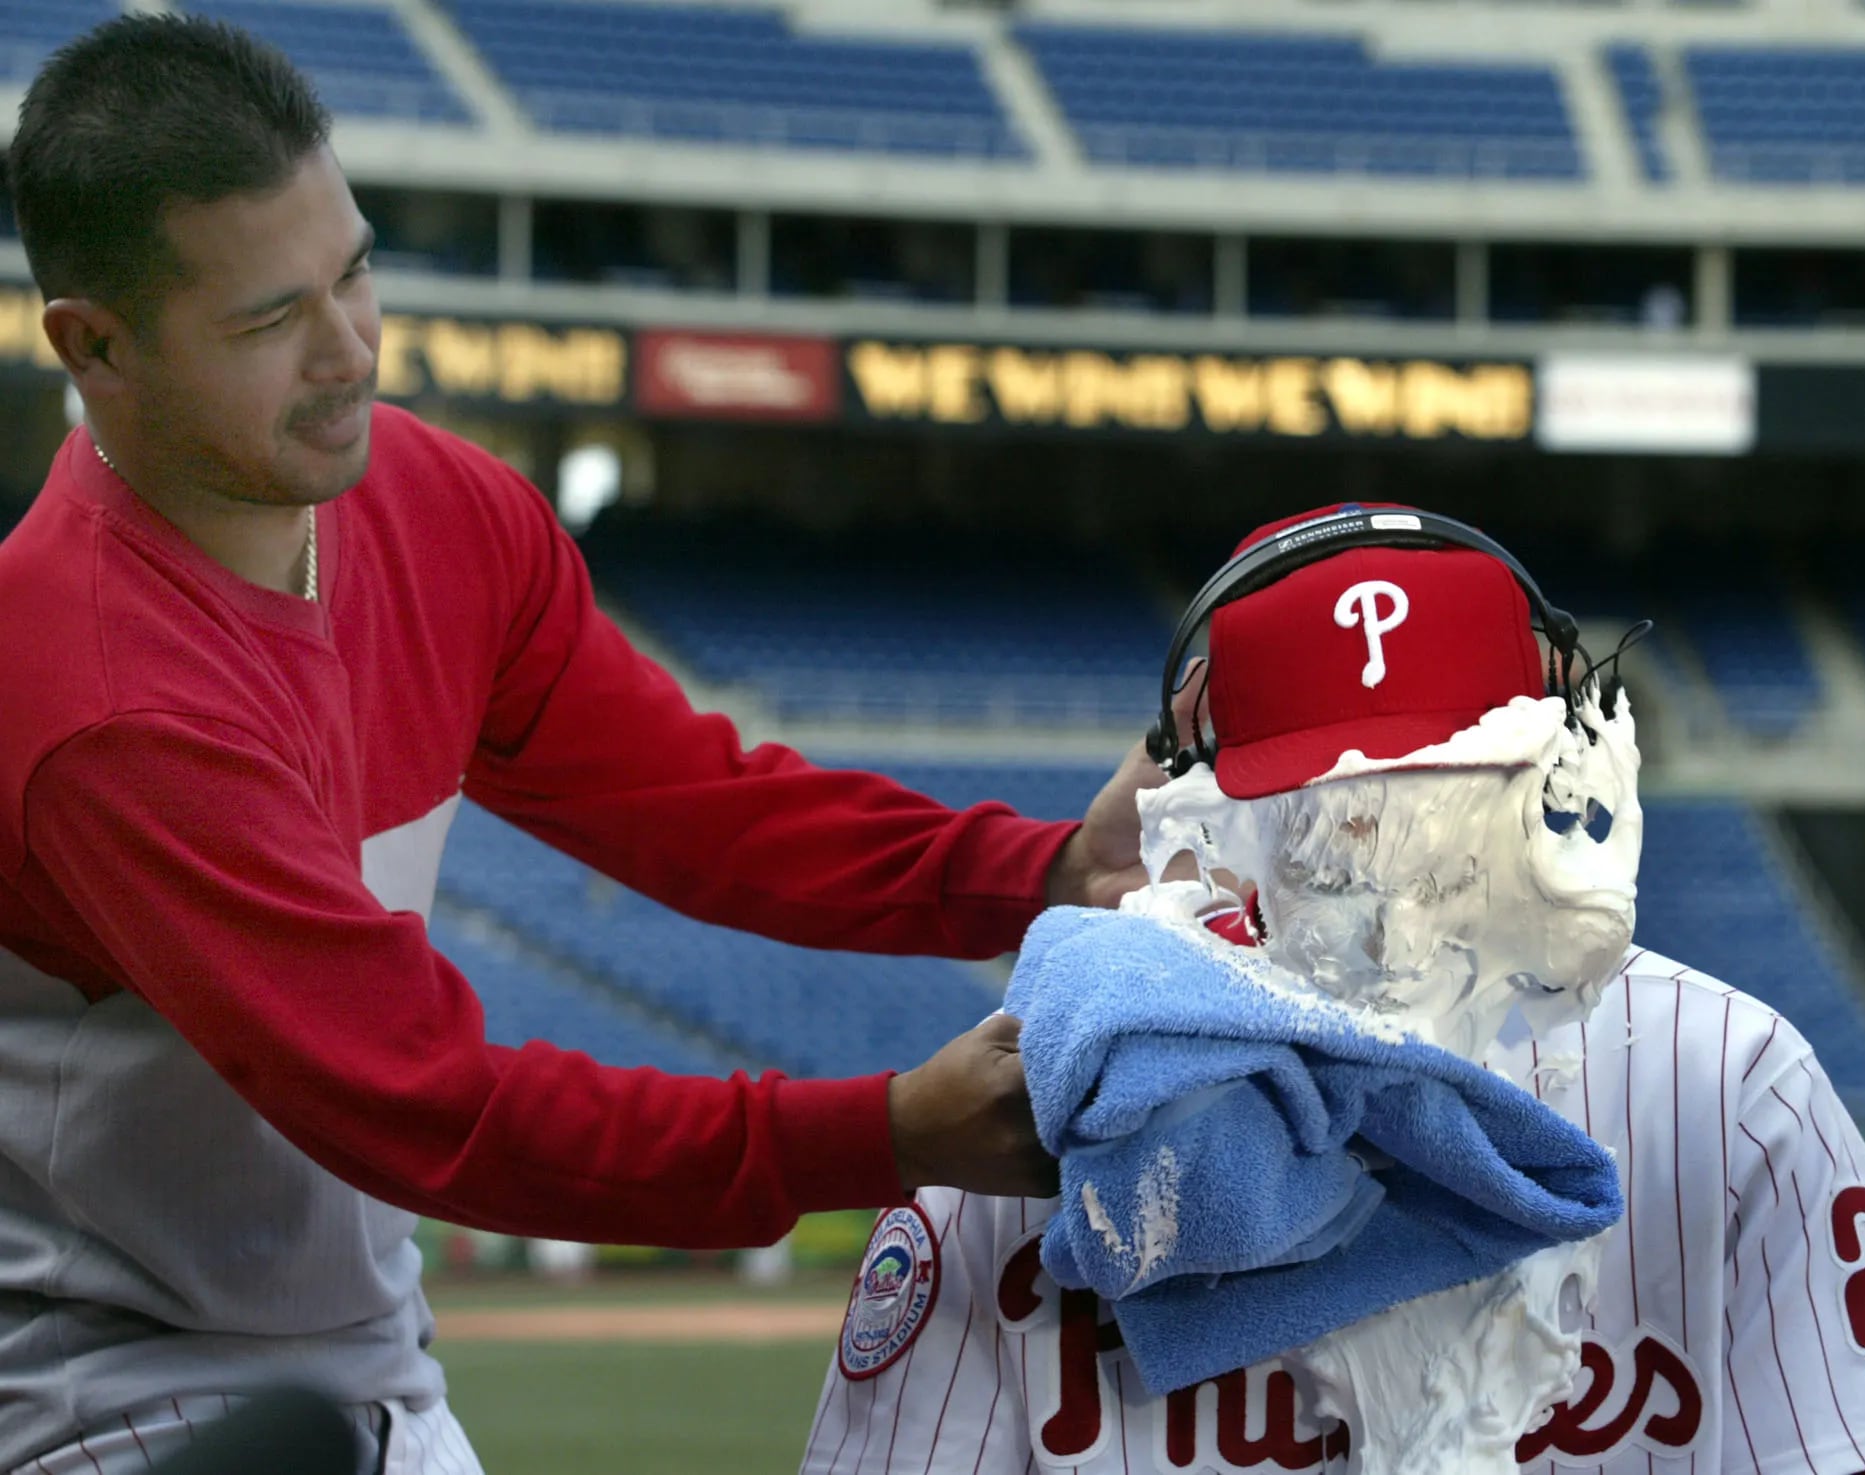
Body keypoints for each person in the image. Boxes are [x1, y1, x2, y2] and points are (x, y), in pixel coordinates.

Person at [0, 16, 1187, 1475]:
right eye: (266, 321)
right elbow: (437, 1112)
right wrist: (884, 1131)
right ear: (92, 345)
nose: (349, 349)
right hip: (105, 1404)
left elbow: (700, 809)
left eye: (356, 270)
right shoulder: (103, 699)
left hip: (373, 1375)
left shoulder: (439, 508)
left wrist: (1049, 866)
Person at [800, 505, 1865, 1475]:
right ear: (1204, 806)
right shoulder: (1035, 1099)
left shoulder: (1725, 1075)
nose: (1383, 841)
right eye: (1320, 798)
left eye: (1449, 780)